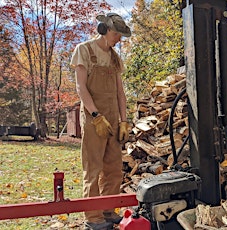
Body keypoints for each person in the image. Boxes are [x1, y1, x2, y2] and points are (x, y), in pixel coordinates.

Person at [70, 13, 131, 230]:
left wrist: (124, 121)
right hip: (93, 118)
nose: (119, 39)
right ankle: (93, 216)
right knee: (93, 167)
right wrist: (95, 115)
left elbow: (120, 93)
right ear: (104, 30)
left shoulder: (114, 57)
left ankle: (108, 209)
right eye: (117, 34)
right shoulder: (84, 50)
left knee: (113, 167)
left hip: (113, 118)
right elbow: (81, 88)